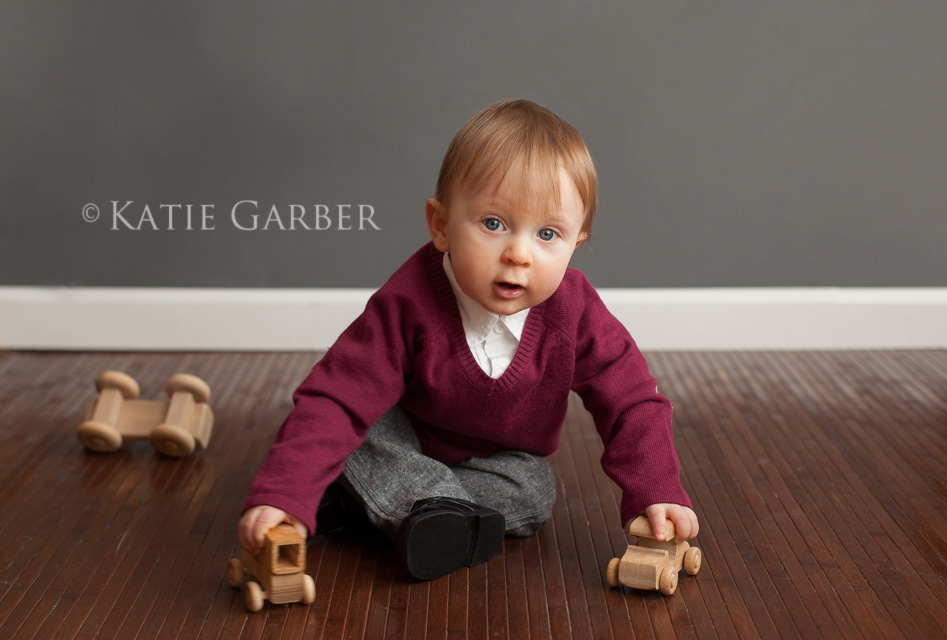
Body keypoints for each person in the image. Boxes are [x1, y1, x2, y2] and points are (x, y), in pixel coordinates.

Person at [238, 99, 699, 581]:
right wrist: (283, 492)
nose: (518, 253)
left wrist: (656, 489)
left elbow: (631, 403)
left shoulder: (575, 312)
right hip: (404, 436)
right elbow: (336, 398)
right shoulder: (408, 303)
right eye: (493, 224)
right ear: (440, 226)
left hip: (496, 462)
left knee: (533, 490)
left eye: (547, 234)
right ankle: (416, 511)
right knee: (362, 433)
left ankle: (369, 506)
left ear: (576, 242)